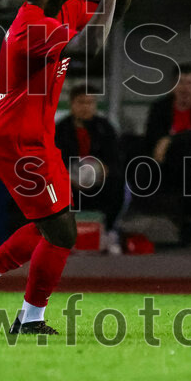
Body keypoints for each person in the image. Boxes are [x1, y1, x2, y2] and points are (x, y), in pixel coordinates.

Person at [0, 0, 141, 335]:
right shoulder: (31, 26)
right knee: (62, 231)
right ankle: (29, 318)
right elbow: (90, 47)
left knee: (50, 224)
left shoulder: (62, 7)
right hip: (16, 140)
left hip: (33, 137)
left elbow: (110, 17)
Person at [144, 62, 191, 244]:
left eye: (190, 83)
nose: (185, 88)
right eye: (181, 83)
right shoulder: (159, 108)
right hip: (167, 166)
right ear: (173, 85)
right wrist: (190, 139)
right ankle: (185, 222)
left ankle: (189, 222)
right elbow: (151, 138)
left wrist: (169, 139)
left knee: (190, 158)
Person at [54, 84, 126, 255]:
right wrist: (69, 177)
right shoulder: (60, 129)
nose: (86, 107)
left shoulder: (105, 127)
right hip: (69, 180)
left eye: (90, 102)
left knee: (118, 182)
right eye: (81, 102)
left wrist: (103, 170)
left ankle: (109, 231)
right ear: (72, 104)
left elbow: (115, 158)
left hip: (99, 179)